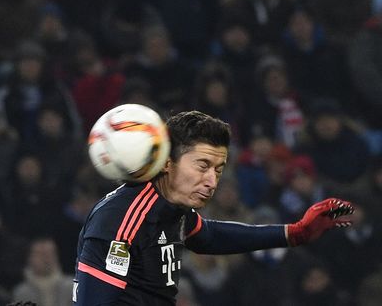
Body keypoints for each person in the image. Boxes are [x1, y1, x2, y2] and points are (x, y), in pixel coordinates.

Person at [73, 110, 355, 305]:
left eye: (218, 170)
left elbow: (209, 236)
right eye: (202, 166)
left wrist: (294, 233)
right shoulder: (119, 221)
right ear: (167, 163)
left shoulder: (172, 209)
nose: (211, 181)